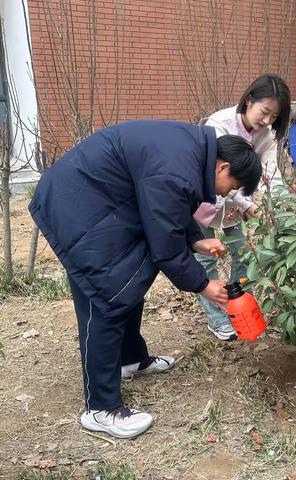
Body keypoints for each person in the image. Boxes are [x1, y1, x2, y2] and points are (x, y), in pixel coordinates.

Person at [29, 120, 262, 439]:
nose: (226, 194)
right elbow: (165, 243)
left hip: (101, 200)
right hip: (77, 205)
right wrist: (203, 285)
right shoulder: (179, 165)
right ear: (222, 167)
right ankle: (100, 408)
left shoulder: (192, 153)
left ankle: (130, 359)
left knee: (130, 278)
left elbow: (170, 206)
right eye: (231, 186)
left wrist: (195, 240)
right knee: (105, 294)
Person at [193, 73, 291, 341]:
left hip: (233, 207)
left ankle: (240, 310)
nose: (267, 120)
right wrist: (247, 203)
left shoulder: (266, 134)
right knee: (205, 259)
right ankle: (217, 319)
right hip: (205, 201)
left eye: (274, 117)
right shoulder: (218, 124)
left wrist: (285, 207)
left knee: (245, 255)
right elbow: (217, 175)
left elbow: (271, 172)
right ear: (249, 100)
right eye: (265, 111)